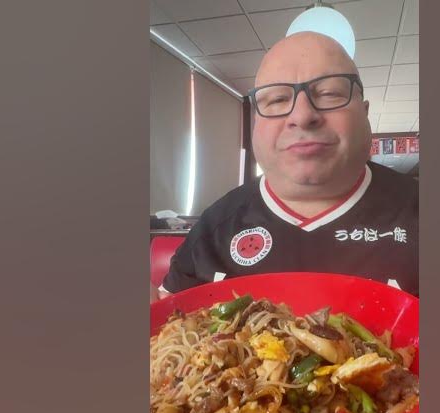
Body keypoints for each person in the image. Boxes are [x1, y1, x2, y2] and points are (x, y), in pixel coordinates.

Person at [154, 32, 418, 300]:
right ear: (256, 123)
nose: (302, 116)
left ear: (365, 112)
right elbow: (171, 315)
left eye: (329, 94)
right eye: (277, 100)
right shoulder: (214, 228)